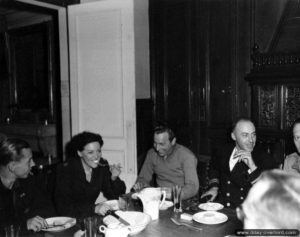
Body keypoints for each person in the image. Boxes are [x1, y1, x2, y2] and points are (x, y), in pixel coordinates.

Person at [201, 118, 277, 209]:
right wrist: (214, 187)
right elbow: (214, 168)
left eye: (253, 135)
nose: (251, 140)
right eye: (245, 135)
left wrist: (252, 166)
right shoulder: (223, 151)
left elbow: (269, 192)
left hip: (247, 213)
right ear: (233, 136)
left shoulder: (264, 158)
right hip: (222, 208)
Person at [55, 131, 126, 218]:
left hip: (88, 217)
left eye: (98, 151)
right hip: (66, 220)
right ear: (79, 153)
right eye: (90, 152)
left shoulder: (101, 166)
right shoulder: (65, 170)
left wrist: (114, 178)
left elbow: (117, 196)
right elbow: (63, 208)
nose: (96, 156)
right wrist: (94, 209)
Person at [0, 138, 55, 232]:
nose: (33, 164)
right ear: (12, 166)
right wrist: (24, 224)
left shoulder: (29, 180)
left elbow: (47, 209)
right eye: (29, 161)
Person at [132, 124, 199, 200]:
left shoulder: (187, 156)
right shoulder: (152, 154)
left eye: (161, 144)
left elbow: (192, 187)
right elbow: (143, 178)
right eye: (155, 143)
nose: (157, 148)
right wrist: (141, 185)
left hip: (182, 200)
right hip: (160, 199)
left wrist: (173, 194)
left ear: (173, 141)